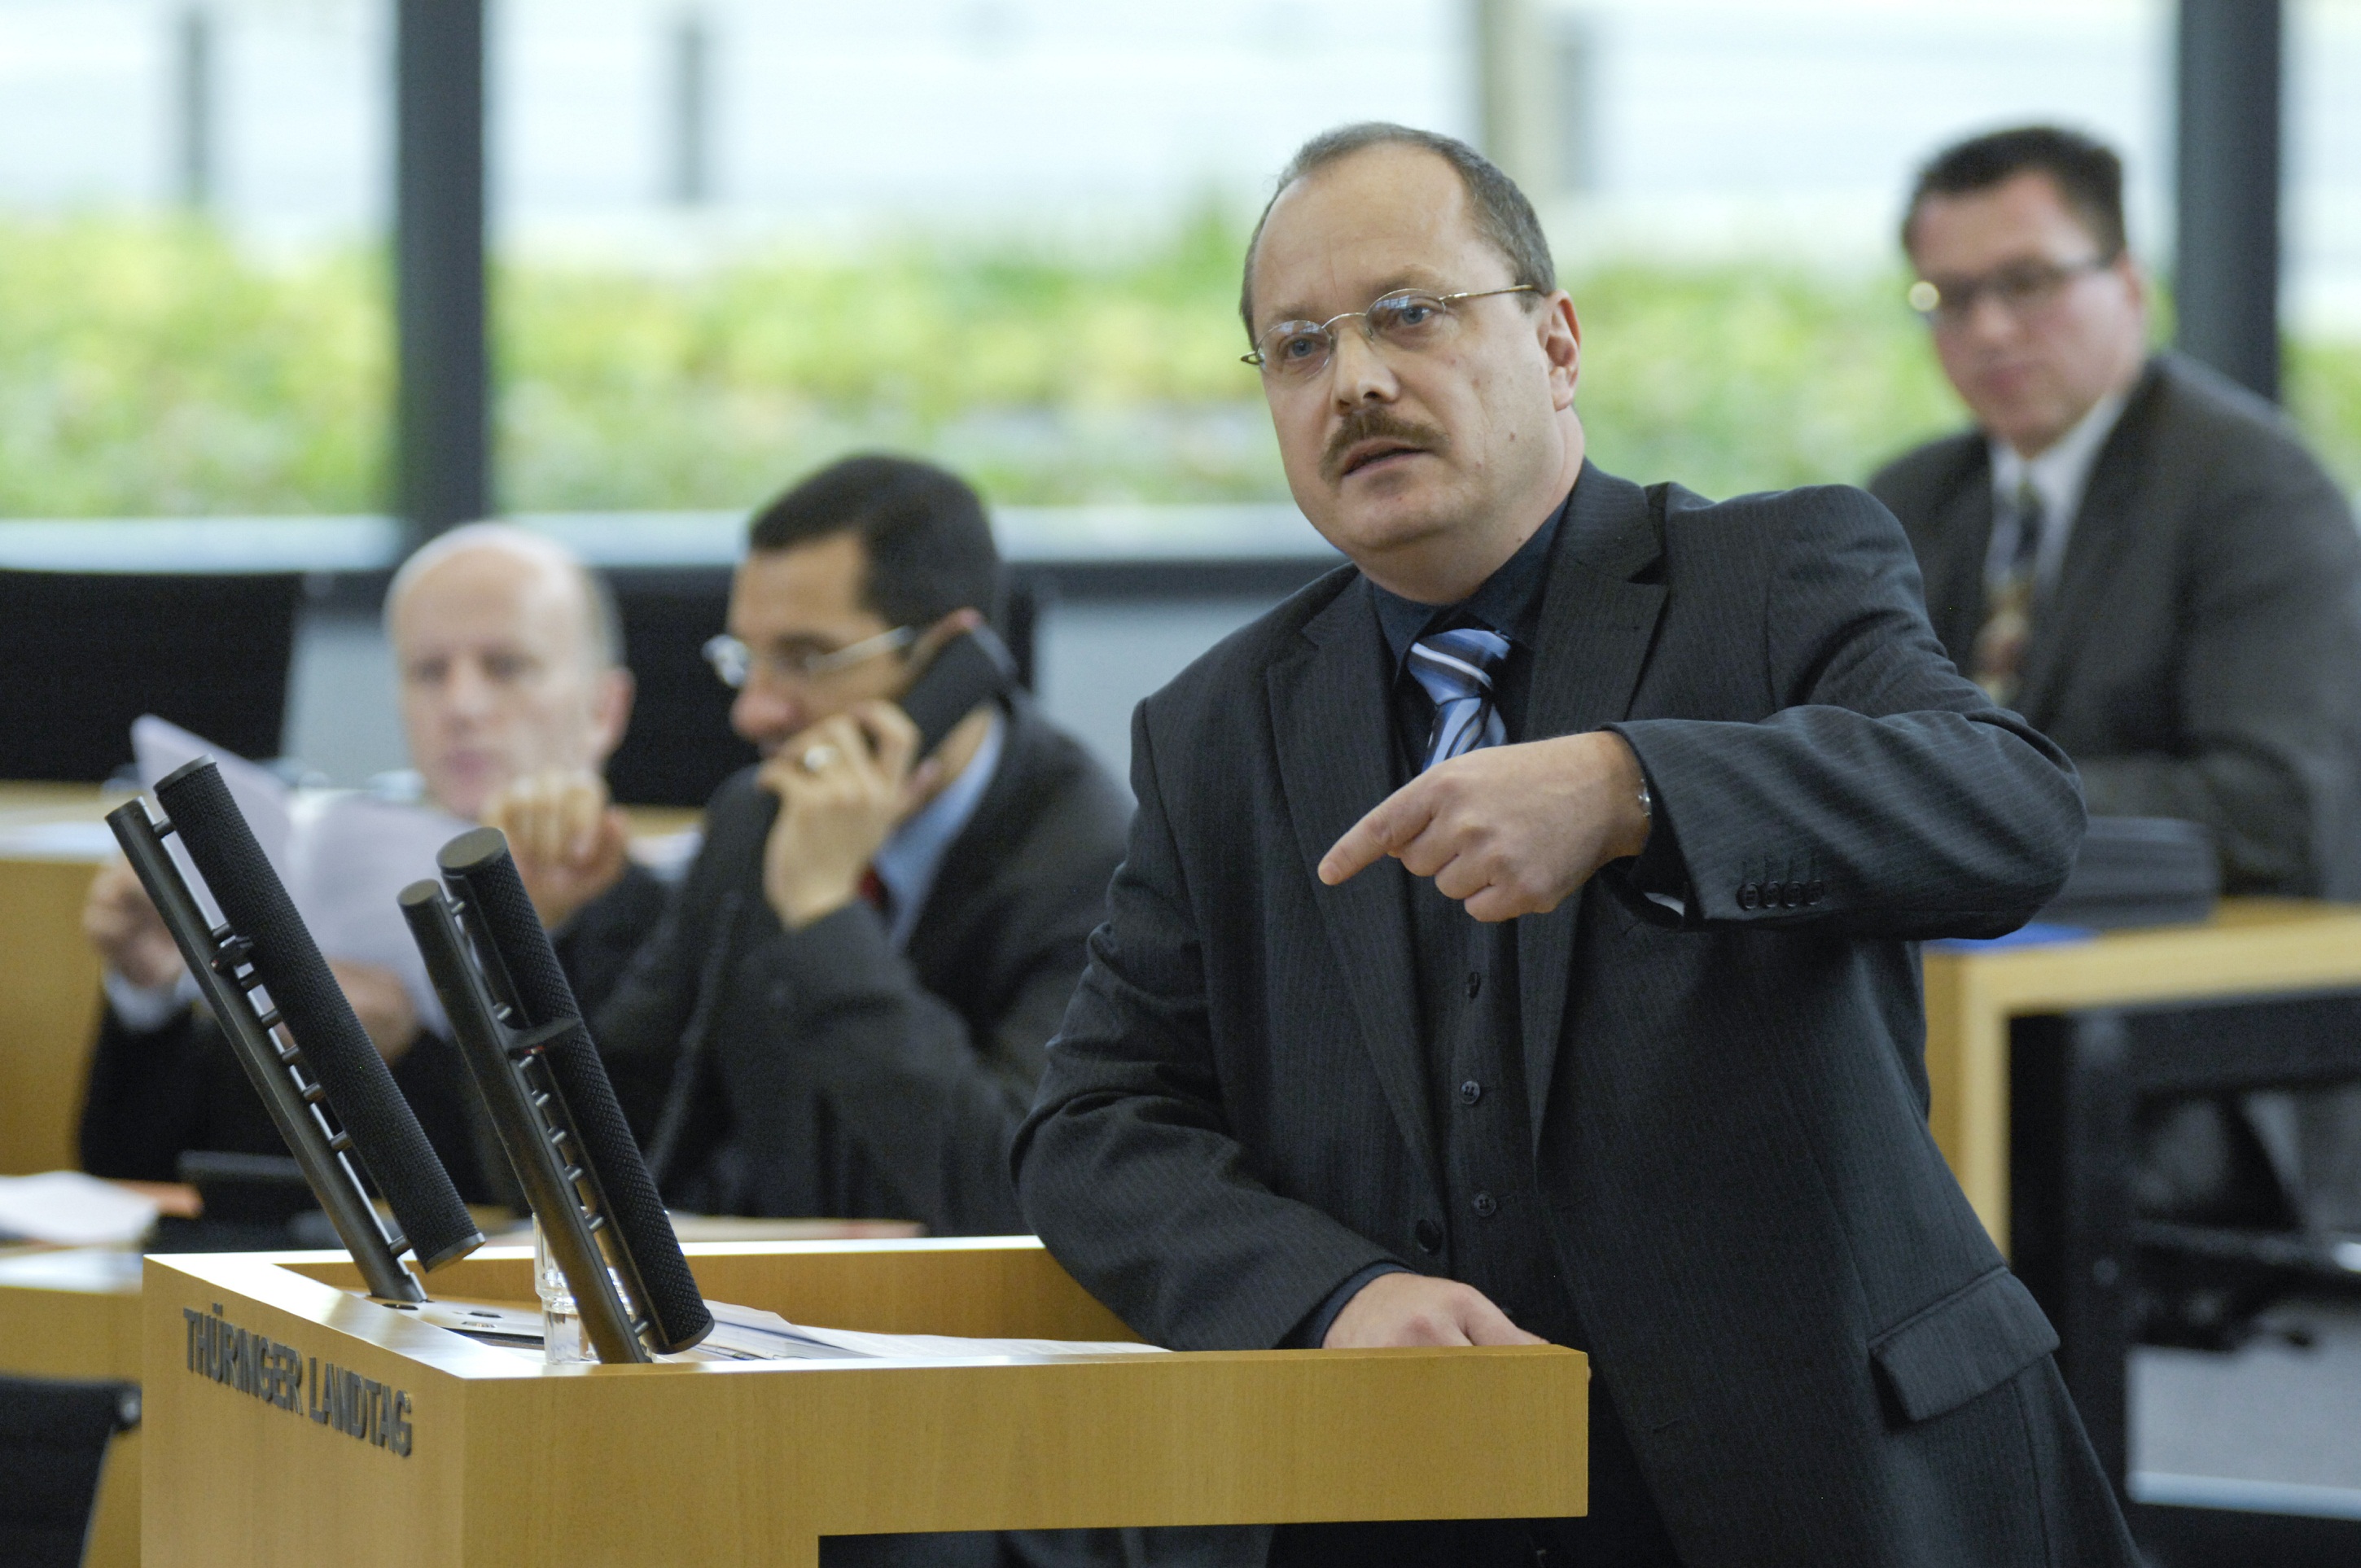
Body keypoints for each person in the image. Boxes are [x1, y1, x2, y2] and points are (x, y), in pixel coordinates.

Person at [1013, 123, 2137, 1566]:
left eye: (1410, 315)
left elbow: (2011, 810)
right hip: (1422, 1500)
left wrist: (1633, 789)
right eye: (1297, 347)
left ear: (1555, 343)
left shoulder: (1777, 572)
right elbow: (1092, 1127)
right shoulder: (1218, 725)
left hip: (1832, 1477)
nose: (1355, 378)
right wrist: (1328, 1294)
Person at [1870, 126, 2361, 1276]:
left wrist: (1966, 803)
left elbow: (2275, 809)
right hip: (1958, 1004)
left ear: (2129, 285)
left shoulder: (2252, 489)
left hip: (2198, 1054)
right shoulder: (1912, 498)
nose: (1987, 328)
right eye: (1949, 295)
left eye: (2028, 283)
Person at [591, 455, 1131, 1234]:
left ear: (949, 659)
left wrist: (823, 915)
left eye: (806, 658)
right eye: (747, 657)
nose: (754, 712)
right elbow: (626, 1120)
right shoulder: (757, 817)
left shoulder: (1092, 863)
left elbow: (1011, 1185)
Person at [79, 524, 667, 1204]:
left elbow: (616, 1203)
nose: (462, 706)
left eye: (506, 666)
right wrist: (148, 990)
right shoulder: (326, 866)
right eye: (428, 672)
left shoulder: (661, 918)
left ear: (603, 708)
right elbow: (128, 1177)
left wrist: (405, 1057)